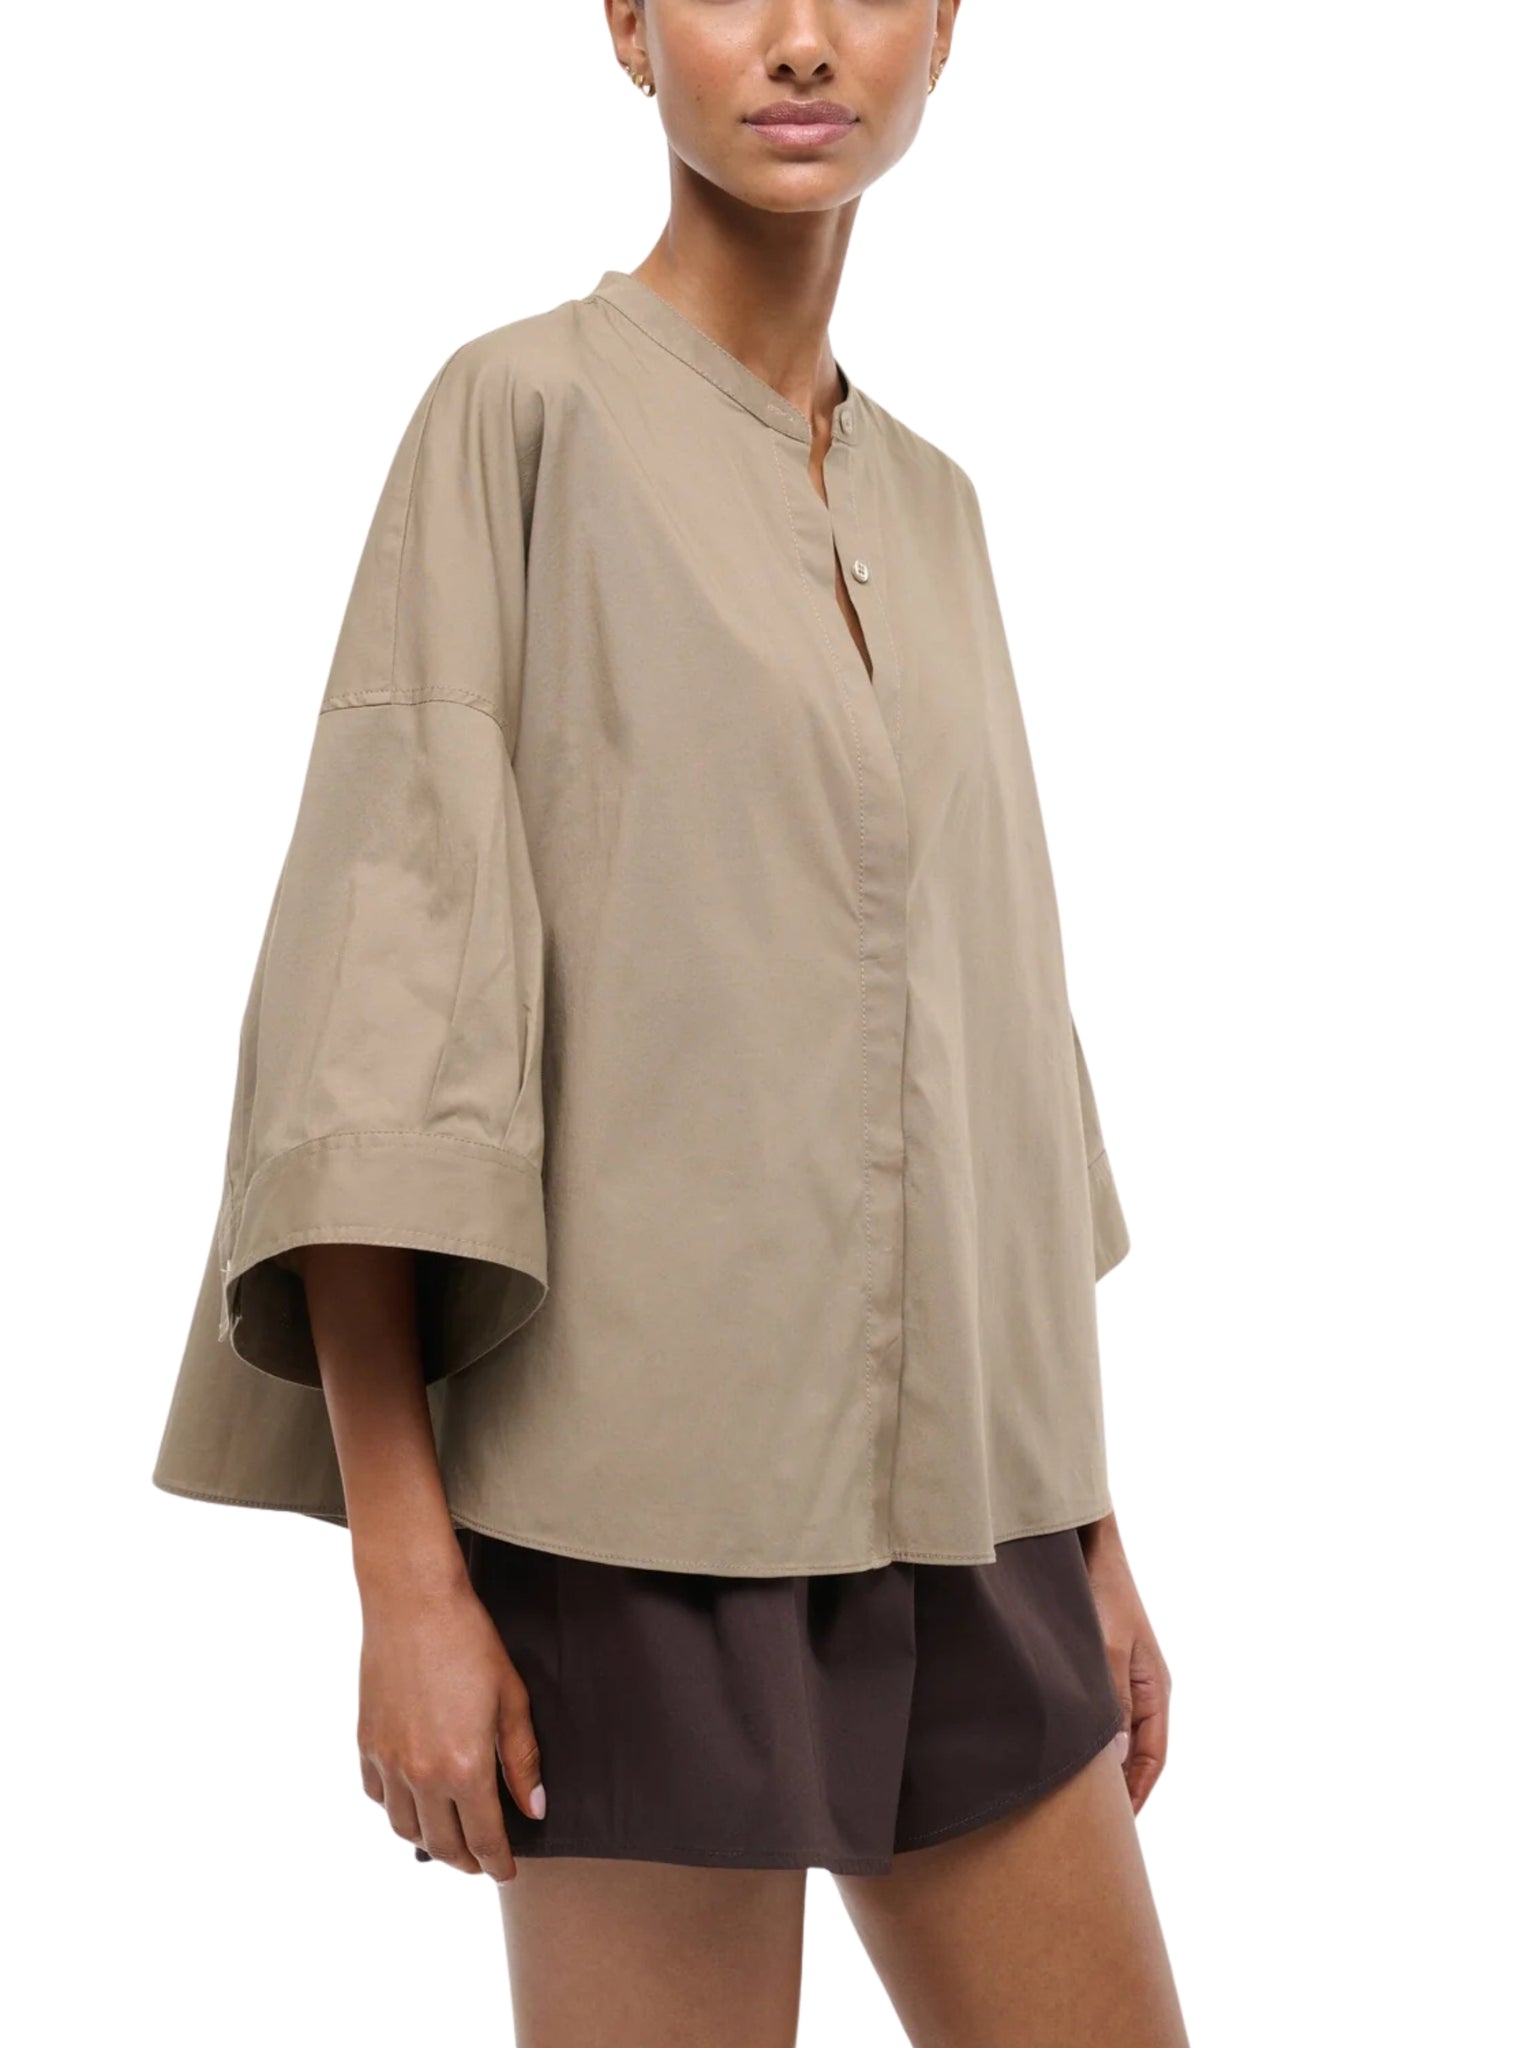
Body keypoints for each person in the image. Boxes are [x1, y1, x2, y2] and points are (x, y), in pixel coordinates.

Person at [152, 2, 1187, 2040]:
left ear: (949, 28)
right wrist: (405, 1577)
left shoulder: (941, 509)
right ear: (625, 25)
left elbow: (992, 1043)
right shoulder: (518, 418)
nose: (801, 43)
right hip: (631, 1534)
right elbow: (382, 1026)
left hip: (968, 1521)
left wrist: (1085, 1525)